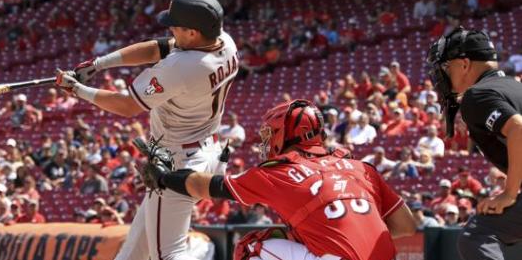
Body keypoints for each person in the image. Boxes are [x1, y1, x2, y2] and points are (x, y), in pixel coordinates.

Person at [56, 0, 237, 260]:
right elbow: (158, 47)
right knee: (134, 253)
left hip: (179, 163)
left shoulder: (183, 66)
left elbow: (128, 106)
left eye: (176, 26)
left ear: (193, 33)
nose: (171, 30)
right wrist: (99, 64)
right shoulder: (224, 41)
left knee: (168, 256)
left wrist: (78, 90)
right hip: (204, 149)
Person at [149, 99, 417, 260]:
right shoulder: (361, 167)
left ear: (285, 135)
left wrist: (164, 177)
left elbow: (204, 186)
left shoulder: (280, 172)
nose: (266, 142)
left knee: (251, 246)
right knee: (295, 236)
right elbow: (407, 226)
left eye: (270, 134)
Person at [425, 28, 522, 259]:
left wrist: (509, 193)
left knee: (478, 234)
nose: (443, 74)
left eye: (447, 66)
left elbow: (518, 128)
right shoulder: (515, 86)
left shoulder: (477, 95)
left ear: (465, 64)